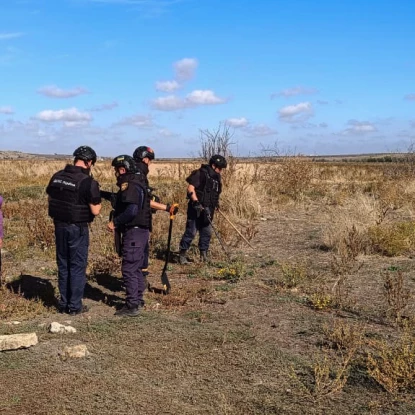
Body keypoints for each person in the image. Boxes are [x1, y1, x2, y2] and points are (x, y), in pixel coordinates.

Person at [46, 146, 101, 315]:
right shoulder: (88, 182)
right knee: (77, 266)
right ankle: (75, 306)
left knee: (63, 265)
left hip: (59, 226)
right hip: (77, 228)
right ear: (89, 162)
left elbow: (51, 196)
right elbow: (95, 211)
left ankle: (63, 304)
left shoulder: (57, 177)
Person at [107, 155, 150, 317]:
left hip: (134, 232)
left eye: (116, 170)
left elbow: (131, 211)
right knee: (136, 267)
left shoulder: (130, 186)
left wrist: (115, 222)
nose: (116, 174)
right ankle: (138, 299)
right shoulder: (138, 183)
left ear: (122, 169)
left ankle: (132, 305)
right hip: (141, 232)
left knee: (129, 268)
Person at [132, 146, 178, 276]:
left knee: (141, 251)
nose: (150, 164)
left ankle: (140, 278)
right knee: (139, 252)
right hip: (138, 221)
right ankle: (138, 281)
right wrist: (167, 208)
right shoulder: (138, 175)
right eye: (150, 161)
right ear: (145, 159)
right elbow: (144, 201)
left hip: (138, 220)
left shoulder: (135, 173)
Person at [178, 154, 227, 264]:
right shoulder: (200, 173)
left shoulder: (217, 178)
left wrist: (216, 204)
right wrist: (196, 202)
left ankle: (203, 255)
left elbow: (215, 193)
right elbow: (190, 188)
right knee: (191, 231)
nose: (221, 171)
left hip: (209, 209)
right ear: (213, 165)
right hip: (196, 208)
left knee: (207, 232)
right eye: (219, 168)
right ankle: (182, 255)